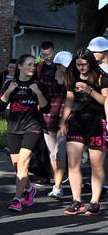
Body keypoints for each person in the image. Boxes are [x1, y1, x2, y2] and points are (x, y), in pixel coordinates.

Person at [0, 54, 48, 212]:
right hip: (13, 129)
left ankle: (17, 199)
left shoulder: (37, 84)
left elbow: (46, 108)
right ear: (20, 66)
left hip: (32, 127)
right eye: (29, 64)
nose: (32, 67)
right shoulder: (11, 84)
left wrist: (38, 93)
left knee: (23, 163)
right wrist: (8, 91)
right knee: (18, 166)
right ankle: (30, 189)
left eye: (34, 65)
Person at [60, 49, 108, 215]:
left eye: (84, 64)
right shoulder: (72, 77)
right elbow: (69, 102)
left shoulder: (101, 78)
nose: (81, 67)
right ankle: (77, 200)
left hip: (96, 122)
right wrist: (63, 121)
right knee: (73, 163)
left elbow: (105, 100)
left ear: (90, 63)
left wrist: (89, 90)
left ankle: (94, 201)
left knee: (96, 164)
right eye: (78, 64)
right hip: (76, 121)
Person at [39, 52, 71, 199]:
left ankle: (58, 186)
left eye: (65, 65)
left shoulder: (71, 80)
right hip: (48, 118)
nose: (62, 68)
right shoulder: (47, 78)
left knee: (60, 152)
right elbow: (41, 98)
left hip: (65, 121)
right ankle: (58, 178)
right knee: (52, 154)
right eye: (60, 65)